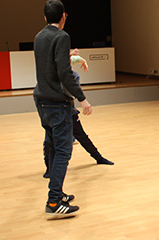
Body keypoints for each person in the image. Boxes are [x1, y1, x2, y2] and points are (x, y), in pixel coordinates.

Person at [33, 0, 92, 219]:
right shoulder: (61, 36)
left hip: (41, 99)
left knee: (55, 147)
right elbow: (64, 72)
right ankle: (54, 200)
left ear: (44, 16)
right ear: (63, 16)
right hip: (57, 102)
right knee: (64, 151)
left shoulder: (39, 36)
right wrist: (82, 99)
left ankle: (58, 193)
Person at [42, 50, 113, 178]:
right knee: (49, 140)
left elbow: (75, 61)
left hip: (68, 111)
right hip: (55, 111)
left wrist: (83, 61)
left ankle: (98, 158)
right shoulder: (57, 73)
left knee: (81, 136)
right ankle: (49, 169)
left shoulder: (71, 73)